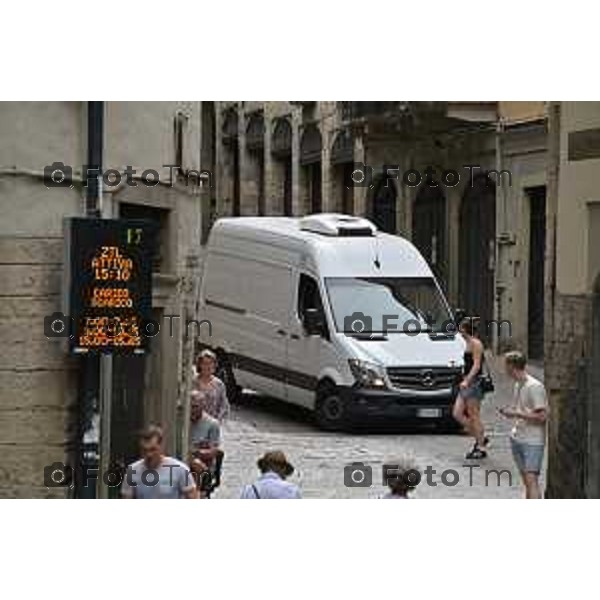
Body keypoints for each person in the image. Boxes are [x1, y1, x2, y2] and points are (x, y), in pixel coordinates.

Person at [498, 351, 548, 499]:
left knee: (532, 482)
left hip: (532, 440)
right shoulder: (518, 384)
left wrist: (515, 414)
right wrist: (511, 412)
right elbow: (523, 410)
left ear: (511, 366)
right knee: (527, 482)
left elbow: (542, 417)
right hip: (518, 437)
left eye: (505, 365)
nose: (504, 369)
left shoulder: (535, 387)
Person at [121, 425, 197, 499]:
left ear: (161, 446)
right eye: (144, 450)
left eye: (153, 450)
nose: (149, 455)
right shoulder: (132, 471)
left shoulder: (180, 469)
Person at [452, 318, 489, 459]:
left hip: (473, 383)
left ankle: (480, 447)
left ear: (466, 329)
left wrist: (467, 380)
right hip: (466, 382)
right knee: (457, 413)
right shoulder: (468, 343)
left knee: (474, 416)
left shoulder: (476, 344)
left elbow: (477, 365)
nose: (459, 331)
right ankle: (480, 436)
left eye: (461, 328)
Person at [189, 401, 223, 498]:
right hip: (186, 461)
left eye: (195, 406)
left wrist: (197, 452)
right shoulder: (182, 420)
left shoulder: (212, 424)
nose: (192, 410)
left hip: (202, 465)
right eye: (190, 407)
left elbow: (213, 451)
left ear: (202, 407)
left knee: (197, 468)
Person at [191, 349, 230, 422]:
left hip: (212, 423)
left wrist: (217, 420)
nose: (208, 366)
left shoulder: (219, 384)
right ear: (199, 365)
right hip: (194, 422)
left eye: (211, 363)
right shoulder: (193, 382)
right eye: (205, 363)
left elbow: (224, 406)